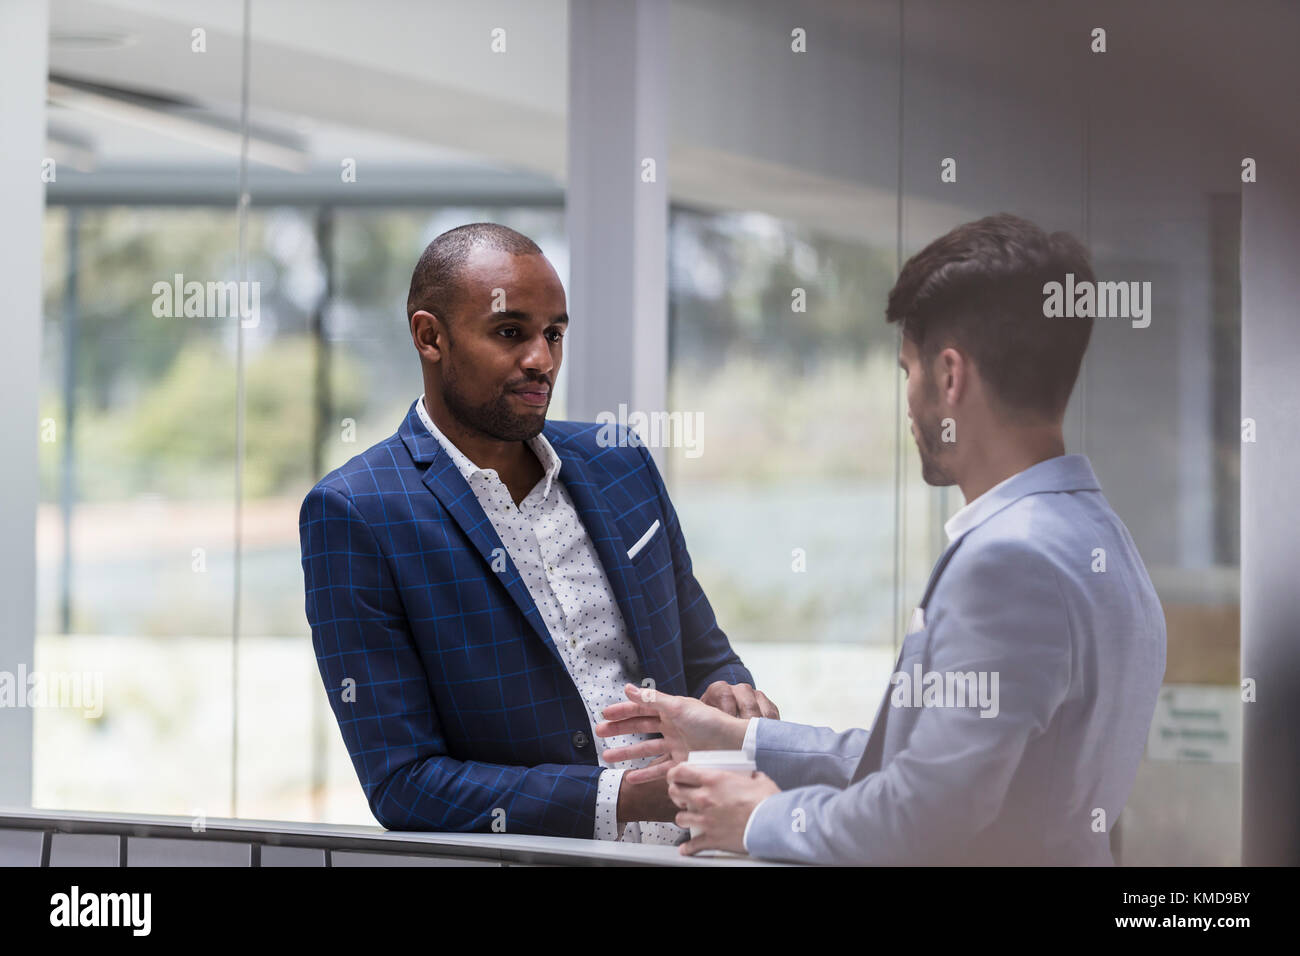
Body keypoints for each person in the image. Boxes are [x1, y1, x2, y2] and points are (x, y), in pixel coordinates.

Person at [596, 213, 1167, 864]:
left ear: (950, 376)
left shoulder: (1010, 563)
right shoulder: (1099, 534)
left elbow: (921, 818)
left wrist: (757, 816)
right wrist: (739, 739)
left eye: (907, 371)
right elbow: (932, 767)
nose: (908, 402)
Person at [299, 223, 777, 843]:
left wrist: (733, 698)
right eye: (510, 333)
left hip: (702, 851)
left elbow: (703, 651)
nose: (541, 360)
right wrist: (624, 798)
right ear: (430, 337)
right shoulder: (356, 512)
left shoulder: (620, 463)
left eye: (554, 333)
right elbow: (404, 783)